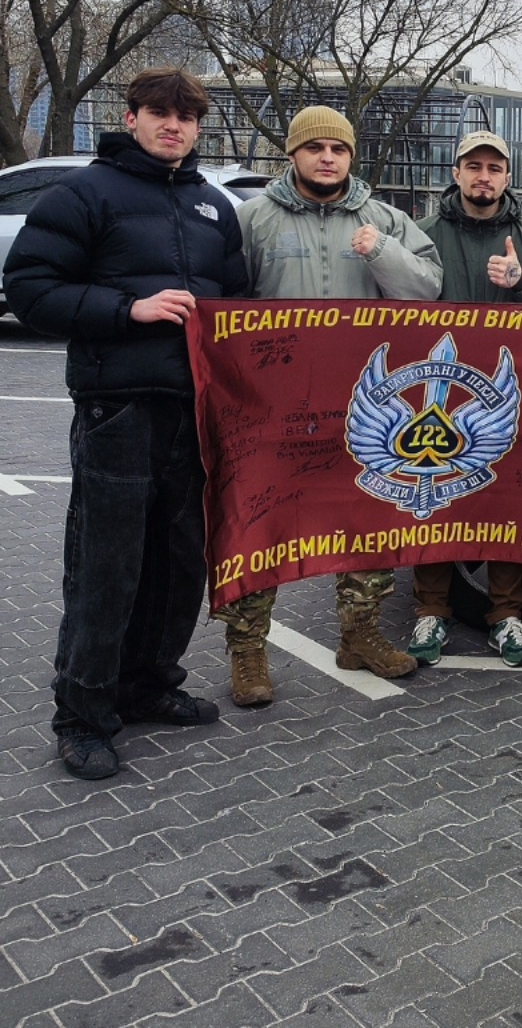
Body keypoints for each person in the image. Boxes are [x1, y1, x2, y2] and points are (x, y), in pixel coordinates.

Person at [3, 69, 247, 780]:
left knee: (177, 565)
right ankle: (83, 714)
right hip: (117, 408)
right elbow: (30, 288)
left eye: (188, 118)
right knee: (106, 567)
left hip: (189, 411)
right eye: (161, 114)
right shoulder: (86, 193)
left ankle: (147, 684)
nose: (175, 127)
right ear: (132, 116)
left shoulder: (213, 206)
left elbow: (236, 299)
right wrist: (126, 310)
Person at [216, 106, 444, 705]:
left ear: (350, 157)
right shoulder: (252, 219)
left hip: (361, 407)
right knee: (258, 523)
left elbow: (426, 288)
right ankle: (248, 652)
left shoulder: (385, 219)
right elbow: (220, 302)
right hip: (271, 405)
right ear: (292, 154)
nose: (327, 158)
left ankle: (360, 635)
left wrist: (381, 253)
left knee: (365, 521)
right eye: (314, 148)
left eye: (337, 149)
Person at [411, 129, 522, 667]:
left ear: (508, 177)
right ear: (456, 173)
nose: (484, 176)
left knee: (507, 502)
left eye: (494, 168)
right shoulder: (423, 234)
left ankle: (506, 615)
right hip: (437, 389)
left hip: (509, 392)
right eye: (473, 166)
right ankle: (430, 610)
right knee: (432, 494)